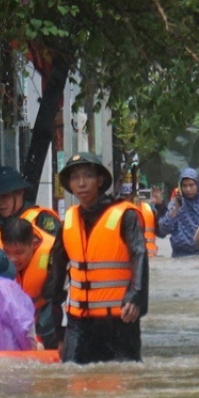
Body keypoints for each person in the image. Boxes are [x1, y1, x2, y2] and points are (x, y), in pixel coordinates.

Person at [47, 153, 148, 363]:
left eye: (88, 176)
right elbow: (55, 280)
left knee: (123, 384)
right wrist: (58, 333)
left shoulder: (125, 215)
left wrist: (136, 295)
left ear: (100, 180)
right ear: (69, 184)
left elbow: (139, 254)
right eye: (75, 178)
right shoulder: (68, 223)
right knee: (72, 382)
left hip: (119, 321)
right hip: (78, 324)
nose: (81, 183)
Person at [0, 216, 62, 348]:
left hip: (47, 311)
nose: (13, 259)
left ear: (33, 243)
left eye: (19, 252)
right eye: (7, 252)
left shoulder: (53, 253)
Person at [0, 166, 60, 247]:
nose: (0, 203)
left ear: (19, 193)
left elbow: (59, 251)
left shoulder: (41, 218)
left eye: (5, 196)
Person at [156, 167, 199, 258]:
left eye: (191, 185)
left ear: (198, 184)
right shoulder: (176, 203)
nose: (188, 189)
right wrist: (176, 209)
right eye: (184, 186)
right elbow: (163, 229)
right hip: (179, 256)